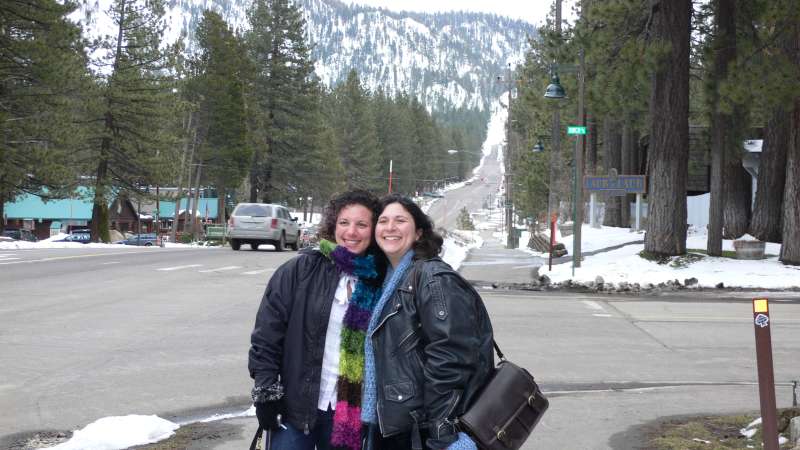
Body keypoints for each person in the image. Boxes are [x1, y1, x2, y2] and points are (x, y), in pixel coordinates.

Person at [248, 190, 386, 450]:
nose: (351, 232)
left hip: (351, 416)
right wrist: (266, 393)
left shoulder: (382, 279)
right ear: (333, 225)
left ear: (374, 229)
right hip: (295, 409)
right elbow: (267, 336)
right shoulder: (300, 270)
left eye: (362, 224)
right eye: (344, 222)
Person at [361, 194, 495, 450]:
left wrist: (442, 431)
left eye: (400, 221)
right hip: (398, 421)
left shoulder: (433, 279)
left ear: (419, 232)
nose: (390, 227)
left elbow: (451, 359)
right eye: (383, 221)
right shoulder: (388, 279)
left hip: (421, 428)